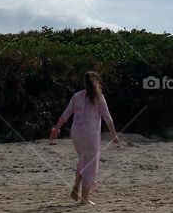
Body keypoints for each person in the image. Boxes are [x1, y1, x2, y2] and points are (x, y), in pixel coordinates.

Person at [50, 71, 120, 205]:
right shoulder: (99, 97)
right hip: (90, 134)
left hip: (76, 134)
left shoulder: (77, 96)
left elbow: (66, 114)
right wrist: (114, 135)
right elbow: (108, 118)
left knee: (83, 159)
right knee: (91, 164)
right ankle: (85, 199)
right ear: (97, 82)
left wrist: (56, 129)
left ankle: (77, 184)